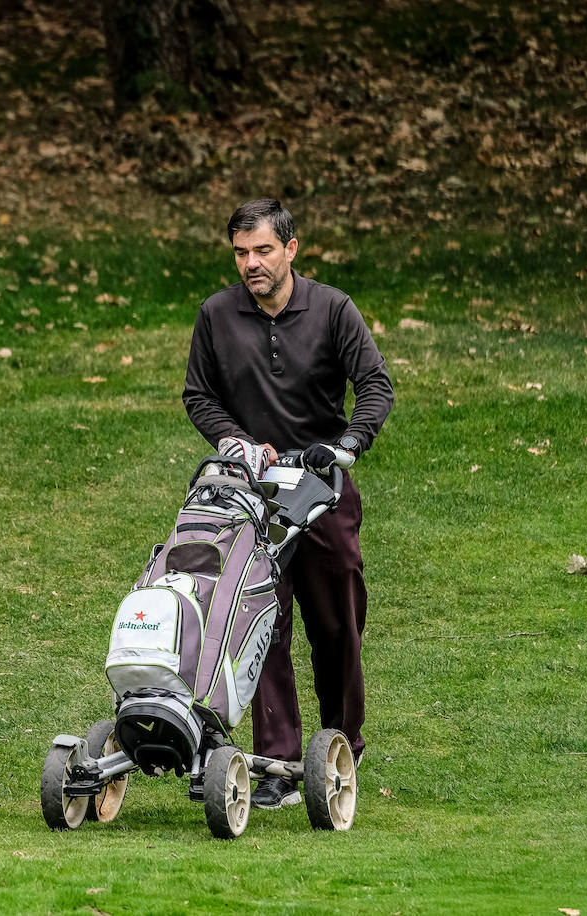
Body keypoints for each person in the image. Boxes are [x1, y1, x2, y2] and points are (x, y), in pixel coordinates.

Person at [182, 199, 393, 809]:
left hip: (321, 486)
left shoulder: (332, 309)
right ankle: (276, 764)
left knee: (338, 626)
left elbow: (375, 385)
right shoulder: (217, 316)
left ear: (291, 250)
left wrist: (349, 444)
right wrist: (235, 443)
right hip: (250, 490)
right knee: (258, 625)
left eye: (263, 251)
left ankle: (341, 747)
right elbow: (199, 395)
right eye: (241, 253)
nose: (251, 263)